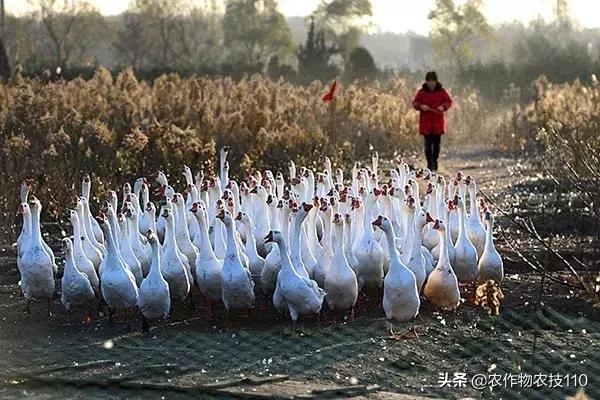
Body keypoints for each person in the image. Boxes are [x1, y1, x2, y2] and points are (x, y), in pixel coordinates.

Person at [412, 71, 453, 171]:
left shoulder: (442, 92)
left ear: (435, 81)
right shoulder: (421, 92)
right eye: (428, 81)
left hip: (438, 123)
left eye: (432, 81)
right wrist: (421, 106)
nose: (430, 83)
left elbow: (448, 101)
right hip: (426, 123)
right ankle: (430, 165)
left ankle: (435, 161)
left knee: (436, 146)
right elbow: (415, 103)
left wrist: (443, 107)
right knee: (427, 146)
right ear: (426, 81)